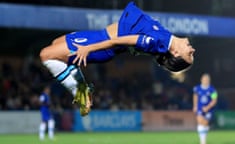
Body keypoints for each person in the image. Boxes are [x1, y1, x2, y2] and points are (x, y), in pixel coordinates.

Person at [39, 1, 195, 116]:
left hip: (99, 44)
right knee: (55, 46)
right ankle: (79, 84)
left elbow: (117, 41)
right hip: (98, 36)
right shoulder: (166, 37)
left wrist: (88, 48)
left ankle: (80, 90)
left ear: (176, 54)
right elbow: (136, 46)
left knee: (46, 55)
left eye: (190, 54)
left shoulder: (156, 43)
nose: (192, 49)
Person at [193, 73, 218, 144]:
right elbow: (195, 97)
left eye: (207, 80)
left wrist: (208, 107)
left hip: (209, 109)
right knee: (200, 121)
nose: (205, 81)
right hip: (200, 108)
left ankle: (203, 139)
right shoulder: (197, 88)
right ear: (201, 80)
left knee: (205, 124)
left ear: (209, 80)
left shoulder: (212, 89)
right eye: (204, 79)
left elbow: (214, 100)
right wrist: (195, 106)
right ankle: (202, 142)